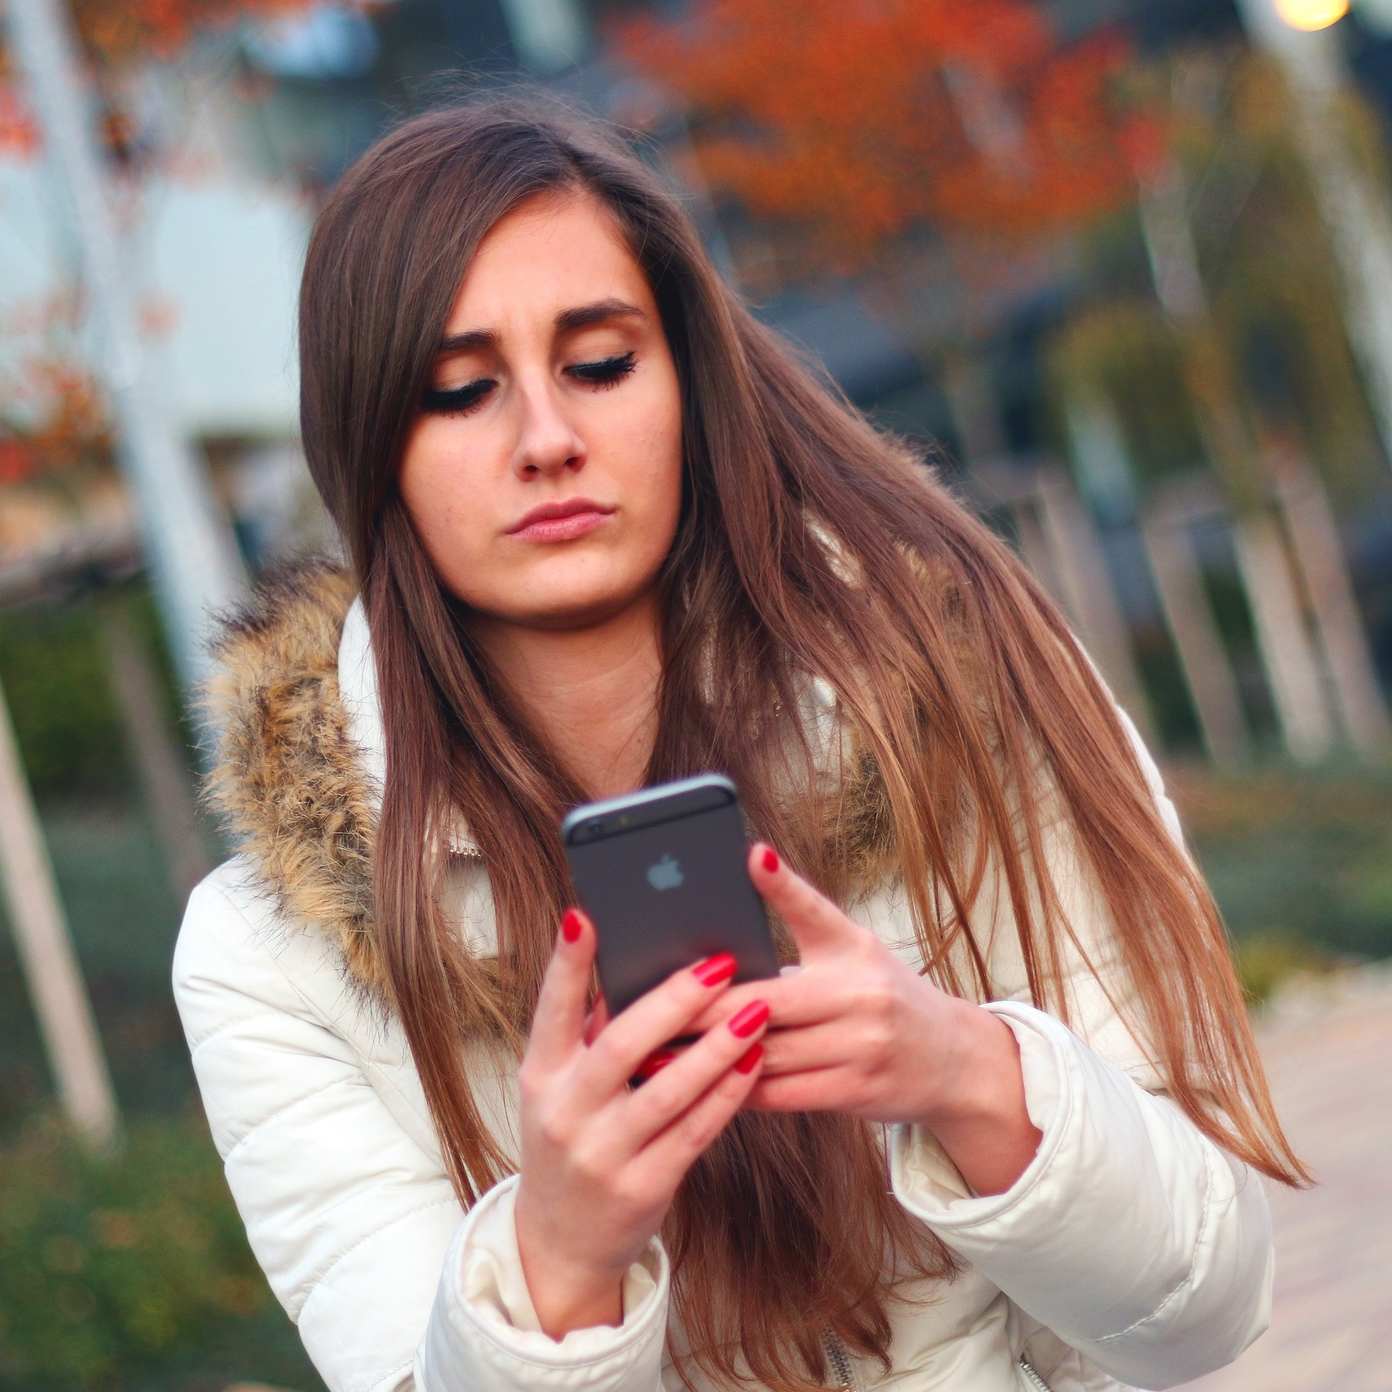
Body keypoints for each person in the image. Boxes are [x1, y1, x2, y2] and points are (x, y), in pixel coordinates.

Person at [172, 92, 1306, 1392]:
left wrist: (967, 1075)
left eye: (601, 364)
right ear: (369, 443)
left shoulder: (960, 698)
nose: (547, 440)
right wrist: (555, 1262)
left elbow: (1207, 1309)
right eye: (462, 390)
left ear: (687, 381)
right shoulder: (269, 960)